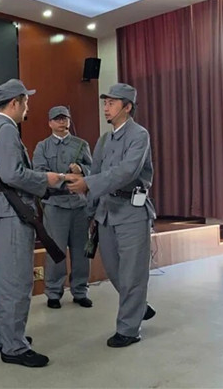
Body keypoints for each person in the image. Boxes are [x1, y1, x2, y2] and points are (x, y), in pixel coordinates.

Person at [0, 78, 68, 368]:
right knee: (17, 280)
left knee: (4, 277)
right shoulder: (6, 129)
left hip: (4, 210)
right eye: (26, 102)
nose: (27, 108)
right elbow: (12, 174)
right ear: (15, 102)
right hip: (13, 210)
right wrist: (46, 179)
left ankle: (4, 335)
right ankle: (14, 346)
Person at [67, 83, 157, 348]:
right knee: (115, 270)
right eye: (105, 103)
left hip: (131, 211)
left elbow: (127, 172)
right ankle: (138, 306)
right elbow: (96, 172)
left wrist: (88, 184)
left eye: (111, 103)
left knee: (132, 274)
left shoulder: (139, 135)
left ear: (127, 107)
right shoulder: (104, 140)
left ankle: (128, 329)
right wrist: (91, 212)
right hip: (106, 212)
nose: (106, 108)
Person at [32, 106, 93, 310]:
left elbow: (94, 170)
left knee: (81, 251)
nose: (62, 122)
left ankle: (80, 291)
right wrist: (64, 178)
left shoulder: (81, 144)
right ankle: (53, 292)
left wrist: (82, 168)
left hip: (78, 204)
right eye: (57, 119)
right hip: (55, 205)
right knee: (55, 252)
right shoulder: (42, 147)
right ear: (50, 123)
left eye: (65, 118)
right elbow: (39, 173)